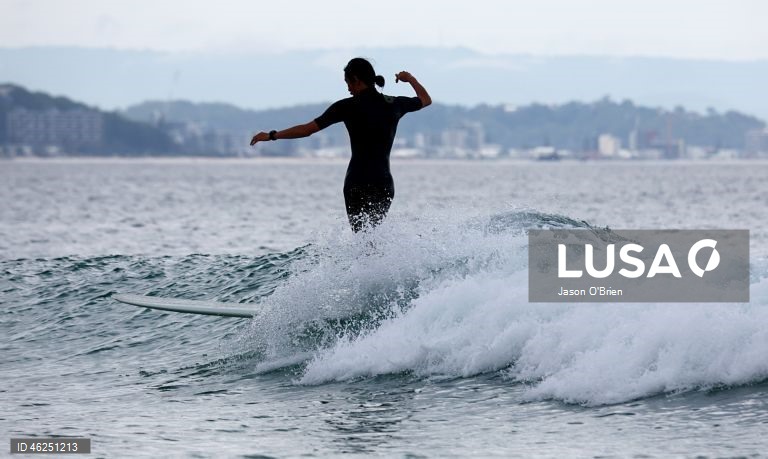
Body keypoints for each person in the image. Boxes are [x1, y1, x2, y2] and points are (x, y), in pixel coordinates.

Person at [250, 57, 431, 232]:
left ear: (357, 80)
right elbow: (425, 99)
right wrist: (410, 79)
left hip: (357, 182)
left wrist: (272, 135)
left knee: (361, 242)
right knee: (375, 238)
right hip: (382, 183)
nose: (349, 89)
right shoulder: (394, 104)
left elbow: (307, 130)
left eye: (348, 84)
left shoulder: (346, 106)